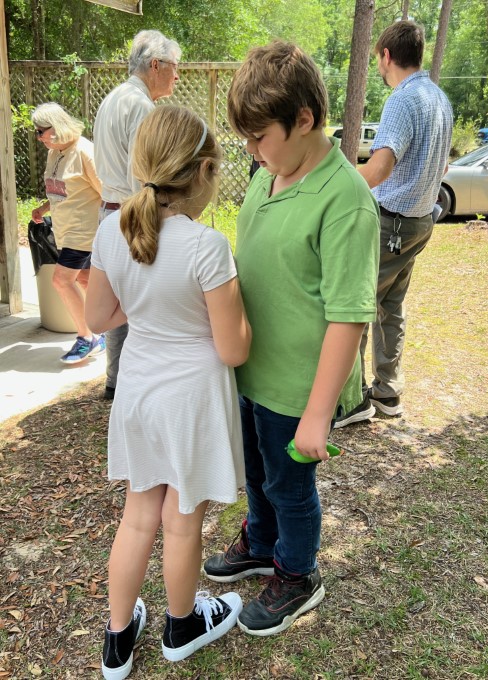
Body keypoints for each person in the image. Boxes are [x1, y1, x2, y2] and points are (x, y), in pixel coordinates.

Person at [203, 41, 380, 636]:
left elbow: (349, 317)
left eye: (260, 137)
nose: (252, 152)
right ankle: (260, 540)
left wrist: (318, 414)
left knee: (289, 484)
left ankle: (298, 572)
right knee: (256, 471)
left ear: (304, 119)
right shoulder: (268, 175)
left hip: (298, 386)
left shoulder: (346, 199)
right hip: (252, 369)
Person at [86, 105, 251, 679]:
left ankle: (117, 640)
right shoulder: (208, 246)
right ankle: (181, 627)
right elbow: (233, 349)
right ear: (204, 171)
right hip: (191, 402)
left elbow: (98, 317)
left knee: (137, 517)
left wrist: (144, 305)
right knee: (182, 520)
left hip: (138, 390)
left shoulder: (111, 231)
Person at [335, 20, 453, 426]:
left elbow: (380, 167)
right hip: (420, 222)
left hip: (391, 225)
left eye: (378, 61)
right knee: (391, 307)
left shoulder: (403, 100)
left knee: (356, 303)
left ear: (386, 56)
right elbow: (443, 165)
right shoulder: (439, 98)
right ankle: (387, 393)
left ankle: (352, 400)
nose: (379, 68)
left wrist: (337, 183)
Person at [93, 29, 181, 400]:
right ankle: (134, 381)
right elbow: (142, 176)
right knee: (142, 296)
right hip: (132, 212)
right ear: (155, 64)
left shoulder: (113, 98)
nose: (178, 75)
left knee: (118, 298)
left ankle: (116, 379)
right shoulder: (141, 107)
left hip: (109, 211)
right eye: (174, 66)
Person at [31, 102, 105, 364]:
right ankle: (101, 333)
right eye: (37, 132)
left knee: (61, 281)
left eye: (41, 131)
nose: (38, 137)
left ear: (57, 126)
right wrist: (44, 208)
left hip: (84, 233)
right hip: (64, 231)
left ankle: (87, 338)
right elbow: (63, 191)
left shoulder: (85, 152)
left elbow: (107, 193)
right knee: (84, 281)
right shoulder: (55, 152)